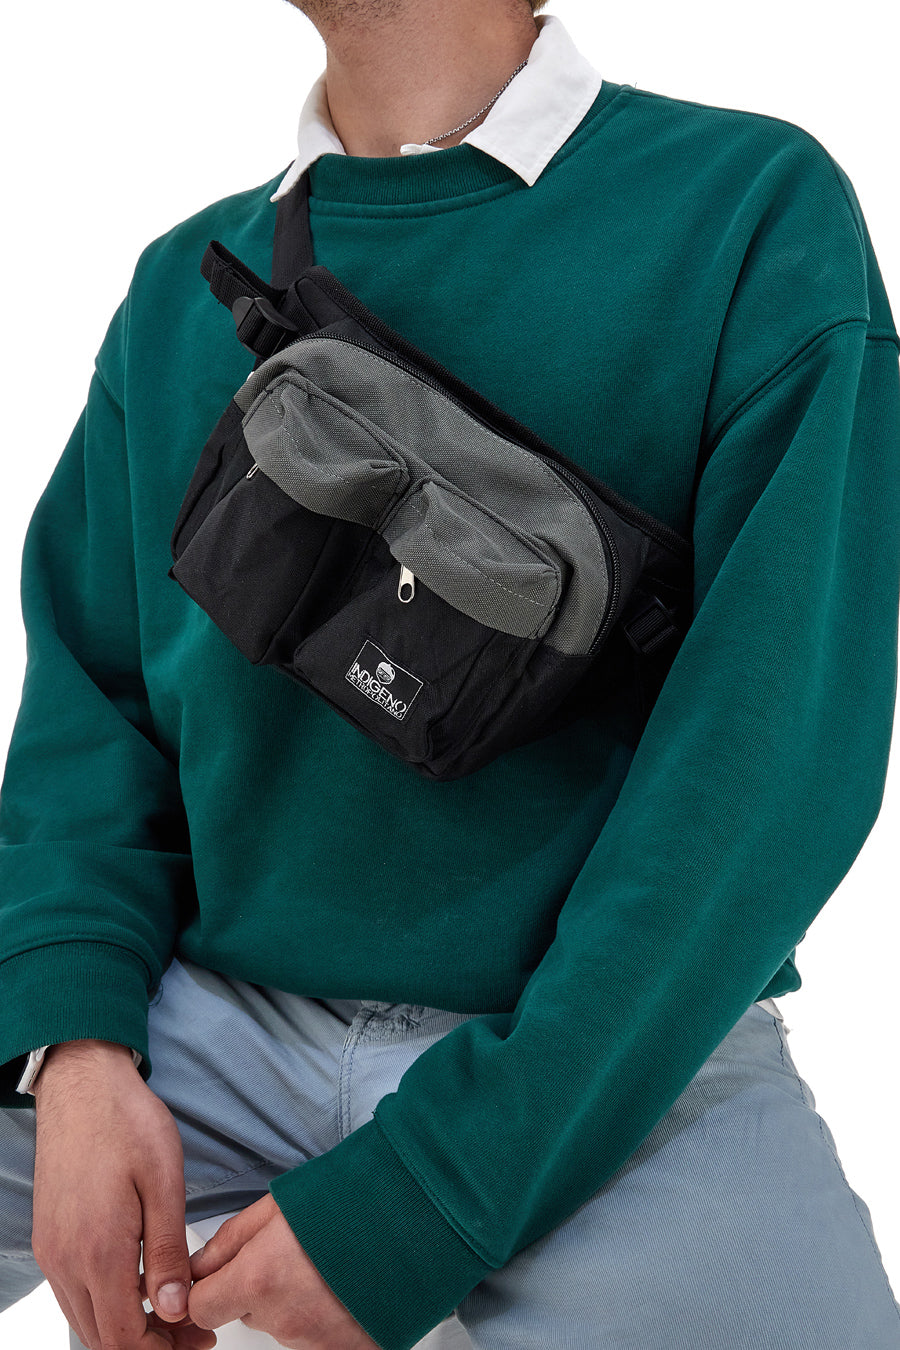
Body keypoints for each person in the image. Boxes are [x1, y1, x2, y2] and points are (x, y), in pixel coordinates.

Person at [1, 2, 899, 1348]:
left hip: (603, 1050)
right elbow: (93, 711)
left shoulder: (750, 214)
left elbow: (763, 778)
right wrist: (72, 1047)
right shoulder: (185, 282)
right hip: (206, 1022)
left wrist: (430, 1196)